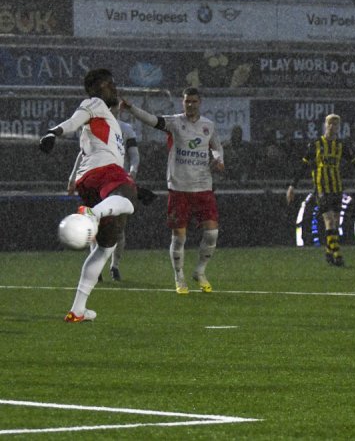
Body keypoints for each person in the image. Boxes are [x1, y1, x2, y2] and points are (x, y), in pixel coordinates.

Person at [39, 68, 138, 322]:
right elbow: (73, 121)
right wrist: (53, 132)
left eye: (114, 83)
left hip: (93, 182)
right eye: (108, 84)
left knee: (106, 246)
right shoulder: (94, 103)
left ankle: (78, 310)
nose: (114, 88)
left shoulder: (111, 122)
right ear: (94, 89)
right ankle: (93, 213)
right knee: (129, 198)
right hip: (102, 173)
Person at [122, 87, 224, 294]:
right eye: (187, 101)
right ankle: (179, 276)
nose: (190, 105)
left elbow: (216, 147)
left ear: (200, 103)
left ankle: (200, 271)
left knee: (212, 233)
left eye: (194, 101)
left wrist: (218, 159)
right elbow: (152, 120)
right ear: (182, 102)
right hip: (179, 187)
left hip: (203, 186)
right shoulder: (175, 122)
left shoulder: (208, 125)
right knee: (179, 237)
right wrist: (132, 108)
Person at [286, 113, 355, 267]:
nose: (332, 126)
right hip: (321, 187)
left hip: (336, 187)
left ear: (339, 127)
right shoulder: (316, 145)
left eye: (335, 124)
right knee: (329, 220)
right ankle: (337, 254)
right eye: (330, 123)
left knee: (336, 222)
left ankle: (328, 251)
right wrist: (293, 185)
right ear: (325, 125)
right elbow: (303, 166)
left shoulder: (341, 146)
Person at [68, 106, 140, 282]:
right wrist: (73, 176)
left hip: (117, 183)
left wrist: (133, 171)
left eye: (113, 106)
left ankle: (114, 266)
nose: (110, 109)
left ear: (118, 109)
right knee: (94, 223)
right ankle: (97, 267)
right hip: (94, 181)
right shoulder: (93, 125)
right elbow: (83, 153)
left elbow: (134, 154)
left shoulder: (126, 129)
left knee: (118, 226)